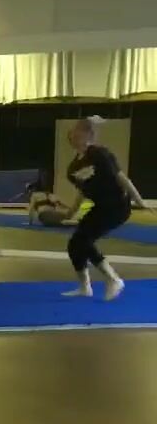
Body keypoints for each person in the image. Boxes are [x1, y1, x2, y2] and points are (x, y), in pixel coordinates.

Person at [62, 116, 152, 300]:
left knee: (83, 241)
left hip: (117, 206)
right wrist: (71, 212)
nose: (74, 135)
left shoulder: (100, 154)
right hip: (100, 207)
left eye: (78, 132)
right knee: (74, 245)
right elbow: (82, 192)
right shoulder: (73, 167)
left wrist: (139, 201)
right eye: (72, 134)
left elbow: (121, 178)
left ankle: (113, 279)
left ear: (88, 135)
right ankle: (85, 287)